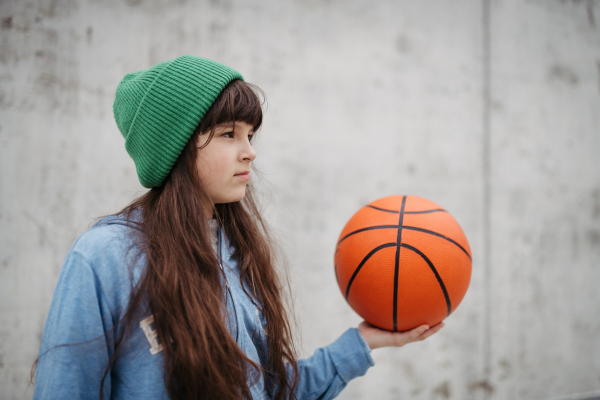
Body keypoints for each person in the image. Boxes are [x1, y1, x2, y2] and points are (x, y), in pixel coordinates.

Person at [32, 55, 444, 400]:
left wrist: (364, 341)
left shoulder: (237, 251)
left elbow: (270, 390)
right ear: (174, 148)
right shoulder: (105, 255)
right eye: (229, 134)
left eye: (250, 135)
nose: (250, 152)